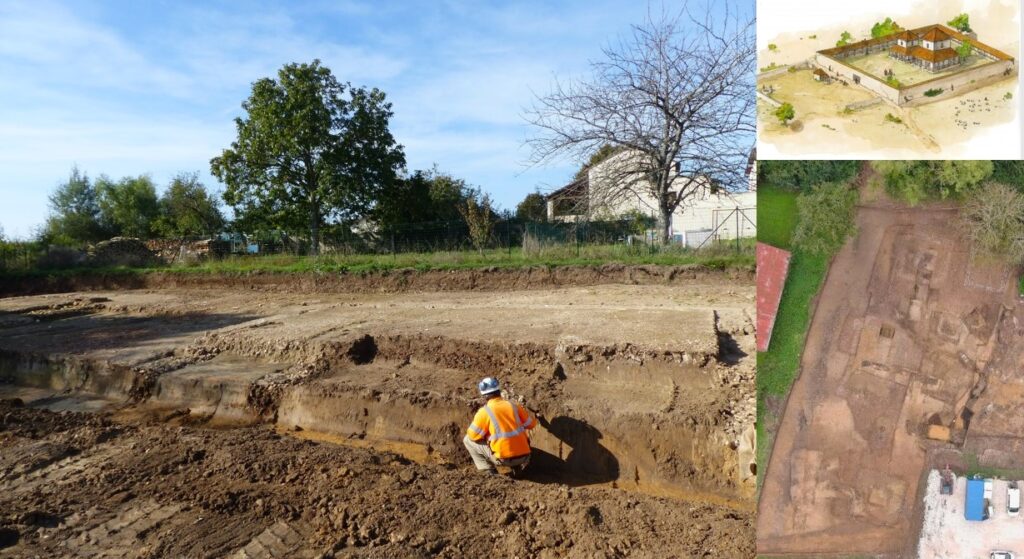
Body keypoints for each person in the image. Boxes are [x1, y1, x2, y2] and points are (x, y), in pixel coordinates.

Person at [463, 376, 536, 474]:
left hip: (503, 459)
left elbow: (473, 436)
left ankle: (488, 471)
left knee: (467, 440)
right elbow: (531, 425)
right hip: (524, 456)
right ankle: (517, 468)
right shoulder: (514, 406)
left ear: (485, 396)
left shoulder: (485, 412)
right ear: (498, 391)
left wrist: (486, 435)